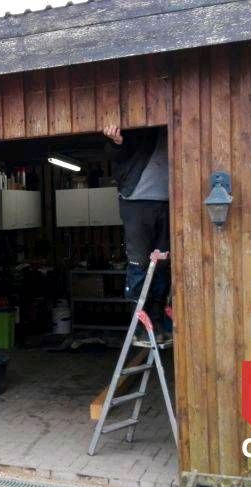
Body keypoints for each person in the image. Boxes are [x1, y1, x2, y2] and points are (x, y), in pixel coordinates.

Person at [102, 124, 171, 334]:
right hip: (136, 200)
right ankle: (141, 320)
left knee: (162, 263)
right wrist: (115, 142)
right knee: (139, 262)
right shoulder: (143, 126)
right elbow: (115, 153)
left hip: (169, 202)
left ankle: (157, 318)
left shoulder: (177, 127)